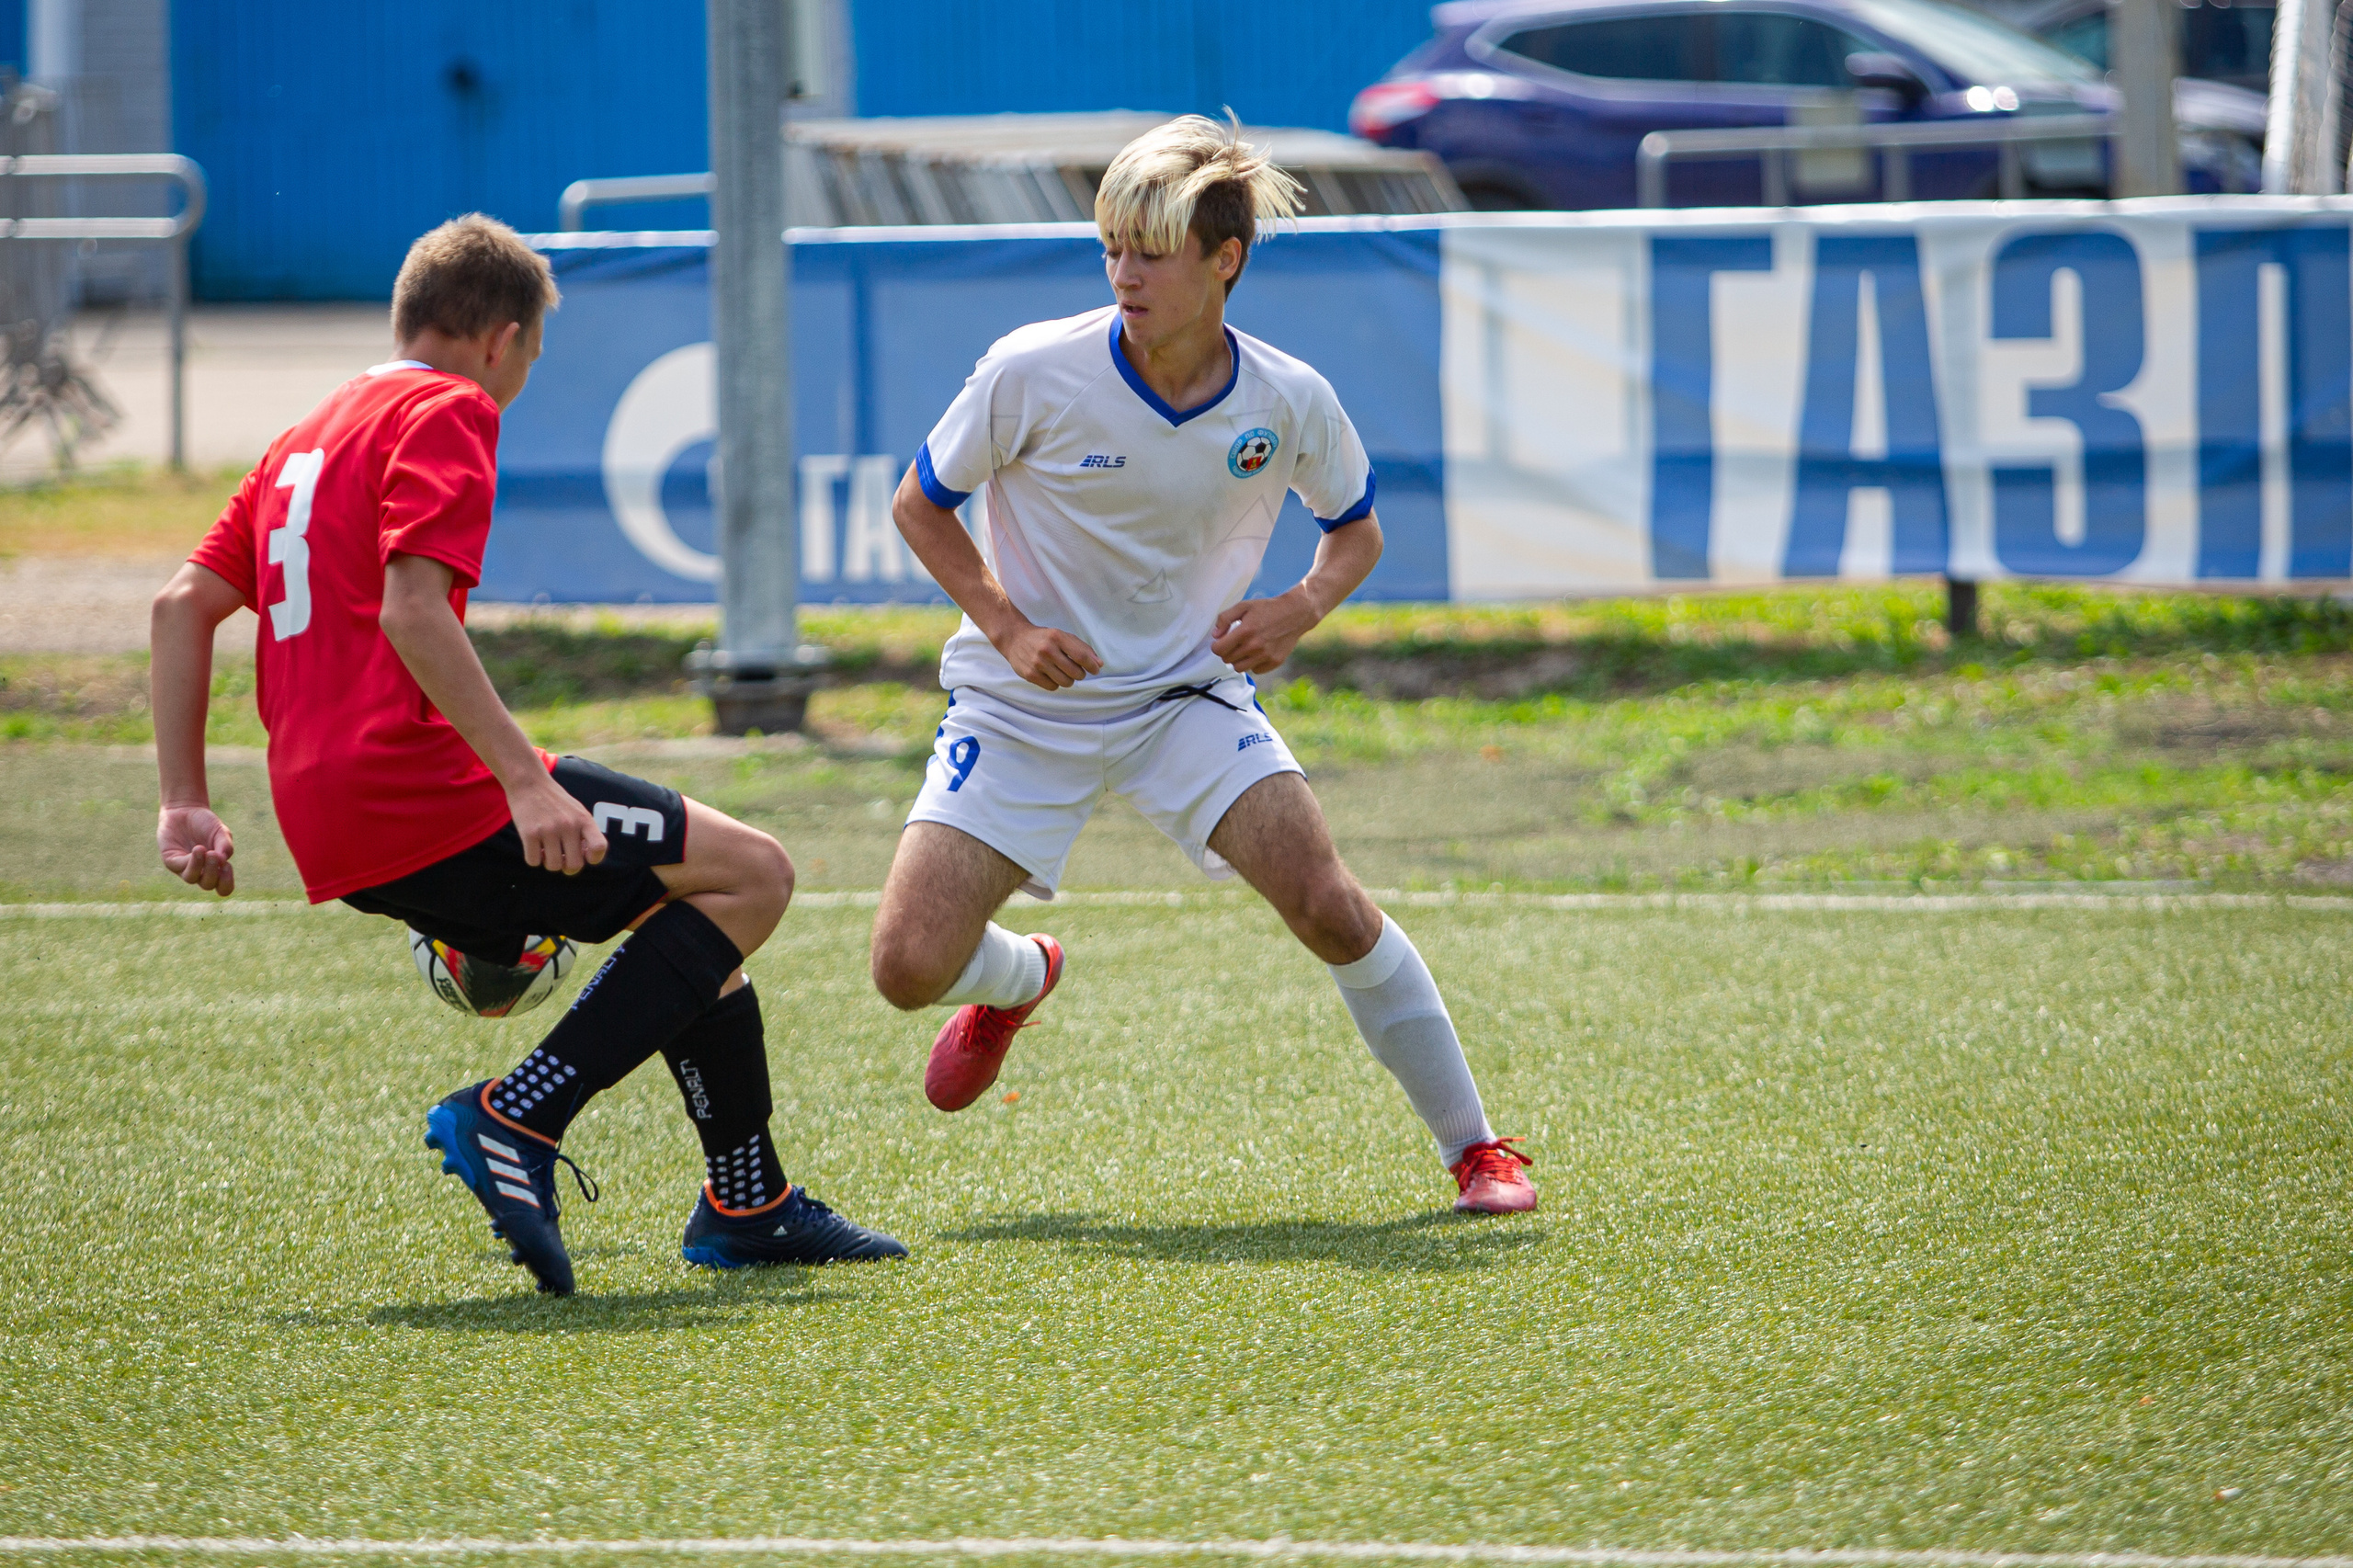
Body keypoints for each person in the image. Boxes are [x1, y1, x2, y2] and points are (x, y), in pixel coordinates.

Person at [149, 214, 904, 1295]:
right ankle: (519, 1114)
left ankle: (750, 1200)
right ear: (500, 338)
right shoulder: (447, 405)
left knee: (685, 914)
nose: (515, 388)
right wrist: (524, 779)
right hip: (422, 786)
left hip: (325, 808)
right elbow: (416, 612)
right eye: (529, 363)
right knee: (754, 871)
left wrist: (183, 799)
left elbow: (183, 605)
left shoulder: (305, 436)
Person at [868, 119, 1536, 1215]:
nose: (1124, 273)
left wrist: (1302, 604)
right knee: (905, 968)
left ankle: (1476, 1149)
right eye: (1112, 247)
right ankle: (1023, 976)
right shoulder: (1032, 369)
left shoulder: (1286, 399)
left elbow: (1355, 528)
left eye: (1151, 250)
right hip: (1028, 700)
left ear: (1224, 260)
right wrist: (1007, 626)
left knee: (1327, 903)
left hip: (1183, 695)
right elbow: (920, 503)